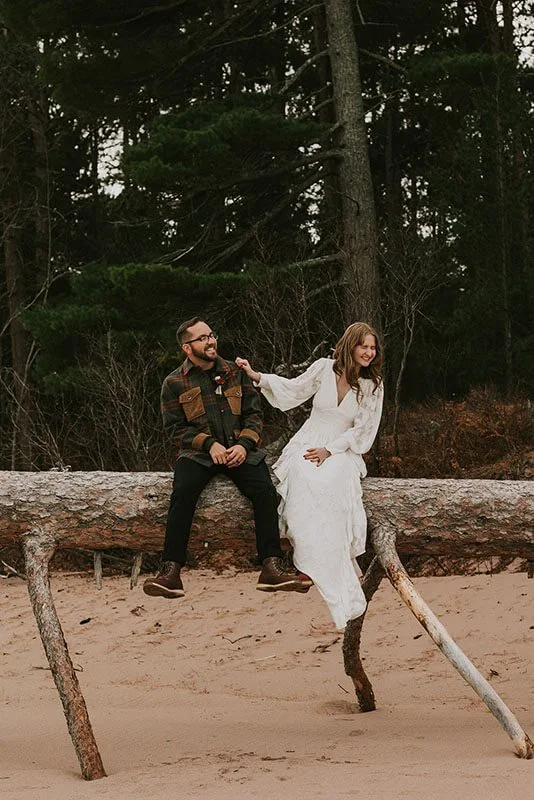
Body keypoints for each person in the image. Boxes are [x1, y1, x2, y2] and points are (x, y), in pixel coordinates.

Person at [143, 317, 311, 599]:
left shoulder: (236, 372)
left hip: (238, 450)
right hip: (198, 455)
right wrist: (208, 445)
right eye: (203, 338)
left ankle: (271, 566)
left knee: (266, 493)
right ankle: (170, 572)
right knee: (182, 493)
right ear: (187, 347)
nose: (211, 341)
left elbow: (254, 416)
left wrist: (245, 445)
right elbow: (174, 429)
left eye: (212, 335)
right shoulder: (173, 382)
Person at [235, 322, 384, 629]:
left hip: (343, 447)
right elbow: (294, 389)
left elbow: (364, 431)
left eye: (373, 348)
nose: (369, 353)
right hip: (308, 439)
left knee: (334, 484)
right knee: (303, 479)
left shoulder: (373, 385)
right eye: (363, 346)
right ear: (350, 345)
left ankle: (324, 566)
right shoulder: (323, 368)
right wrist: (257, 376)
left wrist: (330, 450)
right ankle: (306, 561)